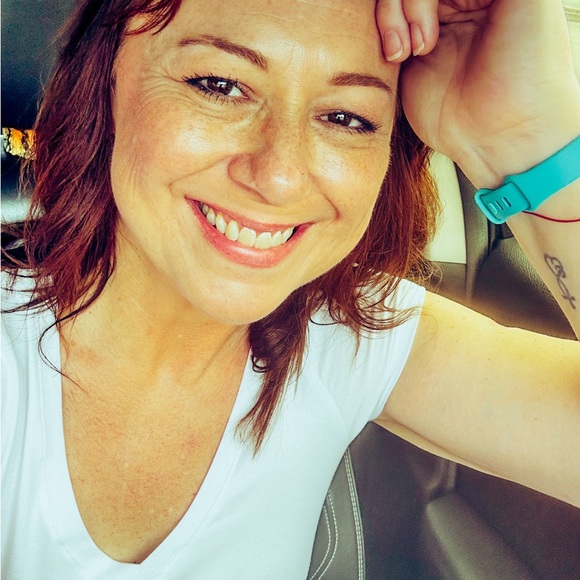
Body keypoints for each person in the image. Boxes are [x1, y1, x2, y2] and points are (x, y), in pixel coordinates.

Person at [2, 0, 579, 577]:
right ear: (103, 79)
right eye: (220, 85)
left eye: (346, 118)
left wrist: (529, 138)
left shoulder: (352, 332)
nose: (279, 176)